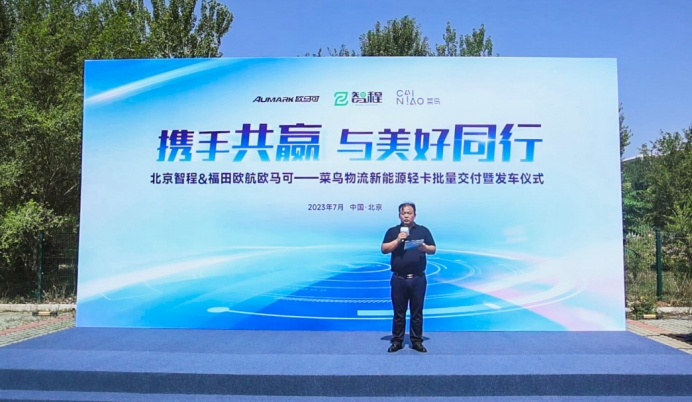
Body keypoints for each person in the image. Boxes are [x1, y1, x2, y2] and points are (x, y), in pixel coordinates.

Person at [381, 202, 436, 353]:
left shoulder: (423, 231)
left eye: (409, 213)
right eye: (403, 213)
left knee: (417, 312)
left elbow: (433, 249)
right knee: (399, 313)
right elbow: (384, 249)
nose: (406, 216)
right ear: (399, 215)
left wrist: (425, 248)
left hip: (418, 279)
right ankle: (397, 341)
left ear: (414, 215)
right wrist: (398, 240)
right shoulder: (393, 231)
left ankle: (416, 341)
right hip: (399, 279)